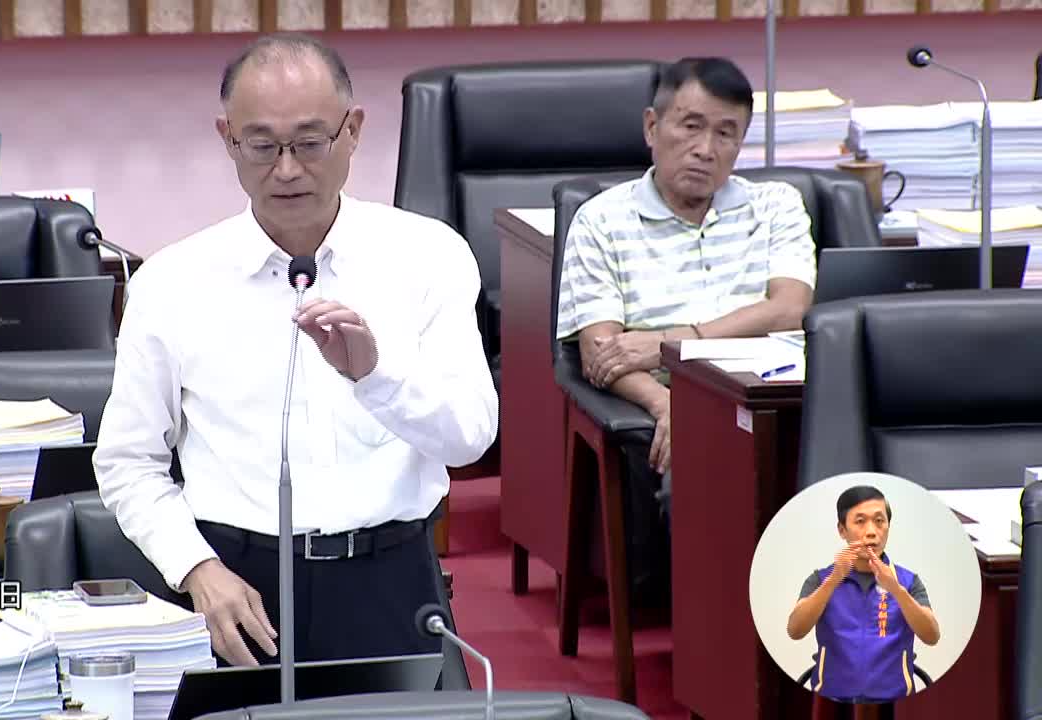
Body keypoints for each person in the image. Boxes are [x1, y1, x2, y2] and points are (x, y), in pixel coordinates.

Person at [92, 33, 497, 668]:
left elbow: (468, 439)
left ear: (353, 131)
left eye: (310, 143)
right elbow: (127, 461)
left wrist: (376, 375)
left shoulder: (427, 256)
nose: (286, 170)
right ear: (228, 139)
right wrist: (196, 568)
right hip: (237, 588)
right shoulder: (172, 282)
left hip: (390, 581)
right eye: (262, 145)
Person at [554, 57, 816, 600]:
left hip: (788, 401)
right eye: (691, 126)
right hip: (694, 409)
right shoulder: (601, 220)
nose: (706, 149)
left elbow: (791, 308)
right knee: (707, 482)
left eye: (726, 133)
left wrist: (672, 344)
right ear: (653, 127)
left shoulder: (776, 205)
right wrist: (668, 404)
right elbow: (601, 352)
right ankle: (723, 635)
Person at [785, 485, 941, 703]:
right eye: (860, 521)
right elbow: (795, 630)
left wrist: (895, 589)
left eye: (879, 521)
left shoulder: (907, 581)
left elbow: (932, 636)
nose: (871, 532)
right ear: (842, 530)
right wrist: (834, 579)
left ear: (888, 526)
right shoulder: (820, 579)